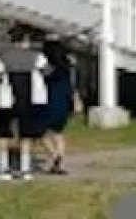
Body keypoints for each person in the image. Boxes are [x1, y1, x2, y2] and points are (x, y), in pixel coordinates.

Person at [0, 28, 50, 180]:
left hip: (6, 99)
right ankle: (25, 169)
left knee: (3, 133)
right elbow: (47, 71)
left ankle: (3, 168)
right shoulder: (36, 57)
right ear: (26, 40)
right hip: (30, 98)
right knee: (26, 134)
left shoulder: (0, 58)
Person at [37, 42, 77, 177]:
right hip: (64, 104)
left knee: (40, 132)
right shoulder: (66, 69)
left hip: (48, 103)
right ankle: (60, 160)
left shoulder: (47, 70)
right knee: (58, 133)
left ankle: (54, 156)